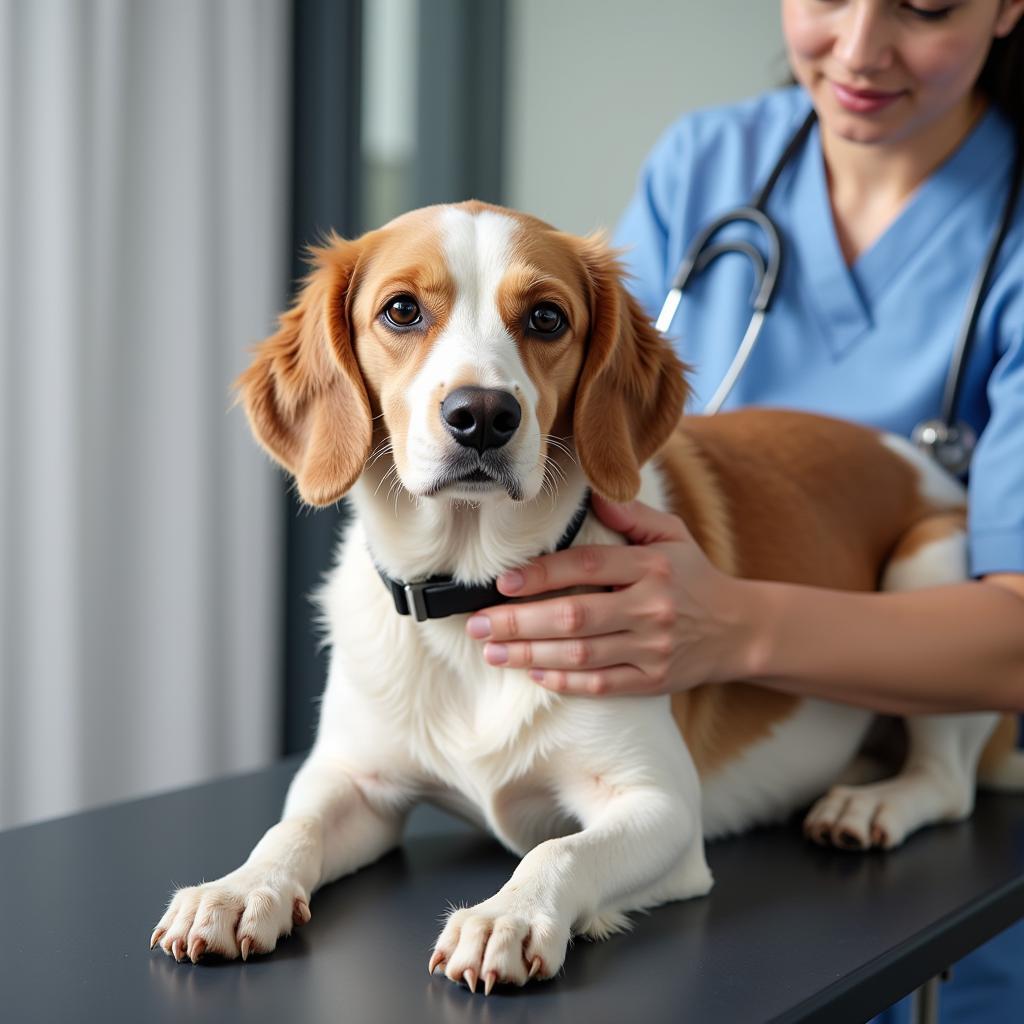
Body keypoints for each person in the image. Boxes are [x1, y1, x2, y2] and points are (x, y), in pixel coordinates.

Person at [466, 1, 1024, 1020]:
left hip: (938, 909)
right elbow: (605, 432)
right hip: (721, 847)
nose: (857, 49)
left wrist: (727, 624)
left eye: (925, 6)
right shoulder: (705, 165)